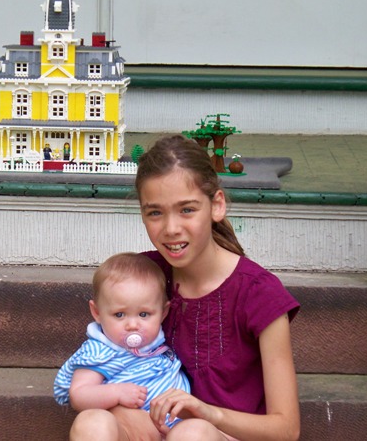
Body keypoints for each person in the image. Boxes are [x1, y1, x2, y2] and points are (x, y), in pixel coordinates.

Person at [71, 134, 301, 441]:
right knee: (92, 423)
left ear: (216, 205)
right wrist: (121, 411)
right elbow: (107, 366)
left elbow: (286, 429)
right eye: (155, 212)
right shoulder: (145, 277)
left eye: (187, 210)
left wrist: (208, 413)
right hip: (154, 429)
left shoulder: (258, 294)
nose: (171, 228)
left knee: (192, 435)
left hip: (220, 435)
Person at [55, 252, 191, 437]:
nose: (133, 325)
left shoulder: (161, 343)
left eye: (144, 314)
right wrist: (116, 393)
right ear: (97, 312)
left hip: (178, 430)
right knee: (92, 423)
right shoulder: (101, 351)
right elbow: (79, 395)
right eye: (119, 315)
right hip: (131, 430)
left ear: (163, 312)